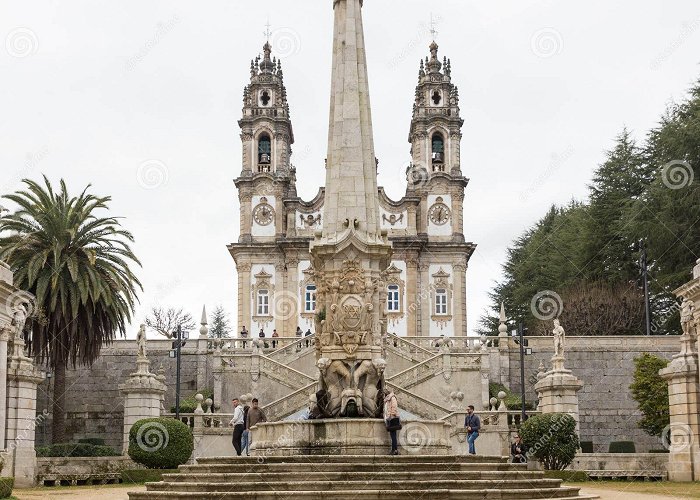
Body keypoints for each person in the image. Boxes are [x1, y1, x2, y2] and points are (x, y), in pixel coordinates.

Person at [383, 389, 400, 455]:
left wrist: (391, 415)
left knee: (393, 435)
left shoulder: (392, 397)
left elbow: (394, 407)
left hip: (392, 418)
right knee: (393, 435)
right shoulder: (387, 399)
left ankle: (394, 450)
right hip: (389, 418)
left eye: (385, 392)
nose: (384, 393)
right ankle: (394, 450)